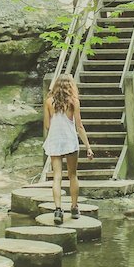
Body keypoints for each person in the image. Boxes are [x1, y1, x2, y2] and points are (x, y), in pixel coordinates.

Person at [43, 74, 93, 223]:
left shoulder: (49, 102)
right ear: (70, 86)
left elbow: (47, 126)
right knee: (72, 175)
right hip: (70, 141)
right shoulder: (74, 102)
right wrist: (88, 147)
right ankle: (74, 207)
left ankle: (58, 211)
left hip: (55, 141)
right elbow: (79, 126)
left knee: (57, 176)